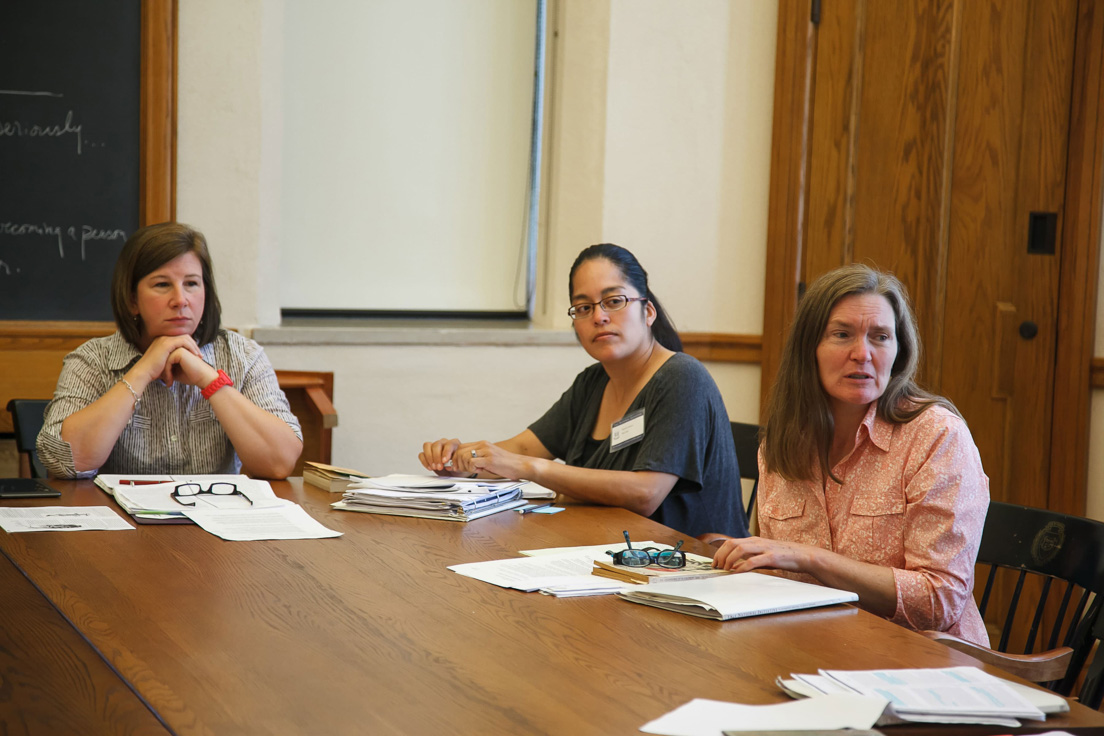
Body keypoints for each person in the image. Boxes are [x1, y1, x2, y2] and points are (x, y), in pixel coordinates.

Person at [709, 264, 989, 645]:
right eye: (842, 335)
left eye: (880, 337)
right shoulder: (783, 440)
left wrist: (809, 558)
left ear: (898, 351)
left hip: (921, 663)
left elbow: (939, 601)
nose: (862, 353)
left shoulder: (937, 436)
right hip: (809, 646)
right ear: (810, 349)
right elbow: (776, 576)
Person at [418, 244, 748, 538]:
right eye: (584, 307)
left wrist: (528, 468)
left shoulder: (681, 377)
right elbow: (522, 447)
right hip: (604, 555)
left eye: (614, 301)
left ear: (647, 311)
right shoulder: (593, 382)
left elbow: (645, 494)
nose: (599, 317)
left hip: (689, 571)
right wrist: (463, 460)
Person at [37, 222, 303, 479]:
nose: (180, 300)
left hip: (213, 520)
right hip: (120, 522)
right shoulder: (92, 360)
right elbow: (65, 462)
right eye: (162, 285)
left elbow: (279, 463)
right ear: (132, 300)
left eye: (191, 284)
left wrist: (209, 380)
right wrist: (141, 372)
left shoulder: (242, 355)